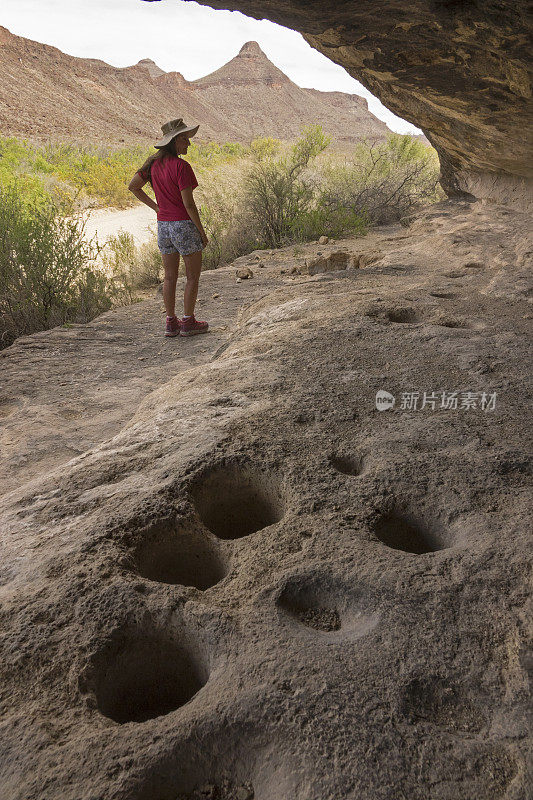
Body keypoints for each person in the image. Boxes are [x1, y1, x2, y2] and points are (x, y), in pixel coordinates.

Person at [128, 118, 209, 337]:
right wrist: (201, 231)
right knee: (192, 276)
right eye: (185, 139)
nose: (188, 144)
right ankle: (188, 322)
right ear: (174, 141)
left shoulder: (153, 164)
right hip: (183, 225)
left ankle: (171, 323)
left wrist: (157, 208)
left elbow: (133, 186)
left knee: (170, 276)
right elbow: (189, 204)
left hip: (164, 226)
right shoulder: (182, 167)